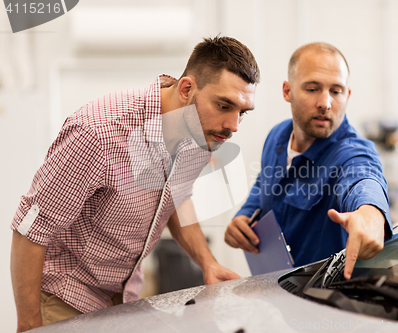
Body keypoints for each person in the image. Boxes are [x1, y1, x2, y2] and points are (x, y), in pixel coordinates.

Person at [11, 36, 260, 332]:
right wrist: (28, 325)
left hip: (125, 302)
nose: (233, 126)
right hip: (63, 298)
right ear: (186, 89)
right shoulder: (99, 133)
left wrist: (208, 263)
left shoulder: (201, 134)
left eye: (242, 112)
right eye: (224, 105)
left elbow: (177, 199)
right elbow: (31, 230)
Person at [224, 42, 392, 280]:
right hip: (275, 291)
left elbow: (363, 178)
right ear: (287, 91)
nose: (325, 103)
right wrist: (245, 215)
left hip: (326, 304)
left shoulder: (351, 153)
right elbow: (264, 182)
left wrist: (370, 212)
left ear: (348, 95)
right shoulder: (277, 137)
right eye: (313, 89)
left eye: (336, 91)